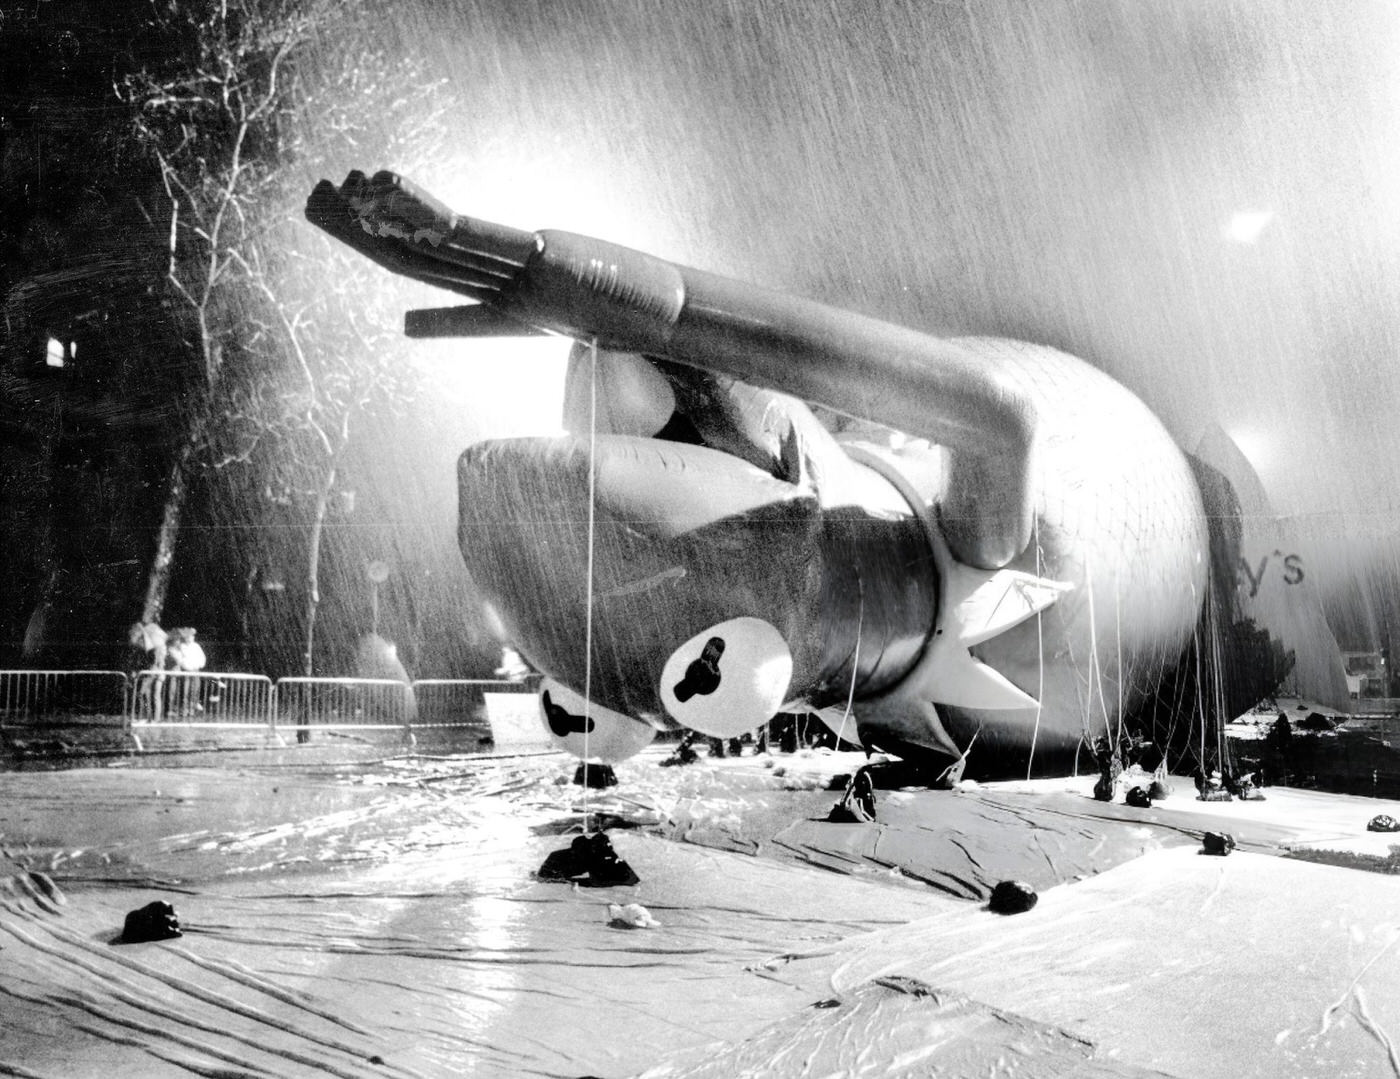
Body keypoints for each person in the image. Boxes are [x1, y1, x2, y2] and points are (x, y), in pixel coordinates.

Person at [165, 628, 207, 717]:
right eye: (188, 637)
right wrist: (186, 666)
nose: (190, 638)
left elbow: (202, 657)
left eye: (191, 636)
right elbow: (181, 659)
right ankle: (185, 709)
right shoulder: (182, 646)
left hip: (195, 671)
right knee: (185, 691)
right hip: (186, 671)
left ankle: (192, 709)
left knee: (195, 690)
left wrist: (198, 665)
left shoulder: (196, 646)